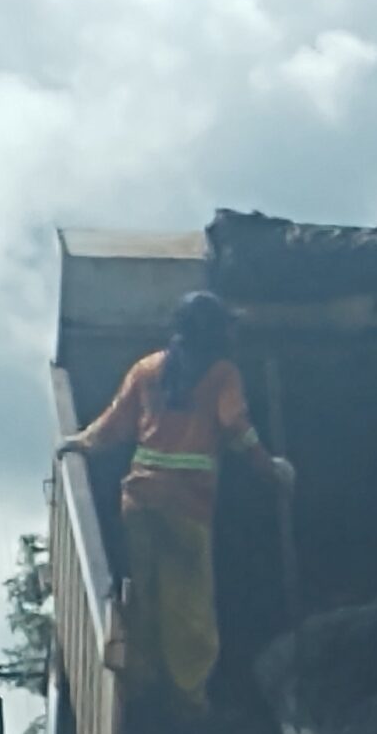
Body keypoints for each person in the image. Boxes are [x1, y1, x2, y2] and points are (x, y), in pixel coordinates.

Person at [58, 291, 296, 709]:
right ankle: (189, 698)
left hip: (139, 502)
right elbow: (237, 428)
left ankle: (142, 684)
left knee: (145, 597)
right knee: (189, 609)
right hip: (187, 509)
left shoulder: (148, 369)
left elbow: (112, 425)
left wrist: (77, 444)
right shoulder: (222, 375)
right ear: (212, 332)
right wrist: (270, 468)